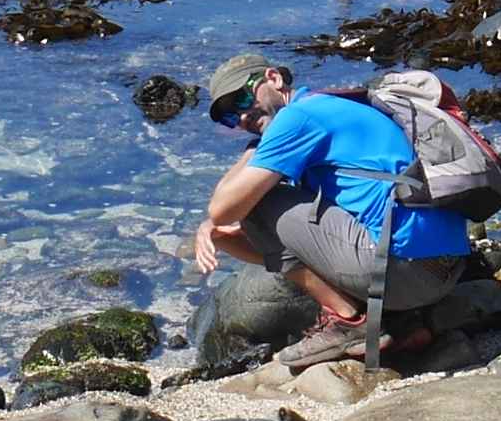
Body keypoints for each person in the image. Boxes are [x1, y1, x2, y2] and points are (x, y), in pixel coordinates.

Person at [192, 52, 470, 367]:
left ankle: (348, 322)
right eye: (229, 117)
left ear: (274, 79)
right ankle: (404, 320)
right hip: (447, 269)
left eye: (242, 99)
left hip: (407, 273)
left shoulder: (296, 119)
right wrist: (219, 233)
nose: (242, 117)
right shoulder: (329, 107)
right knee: (254, 205)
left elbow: (224, 210)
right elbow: (287, 247)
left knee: (258, 205)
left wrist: (251, 153)